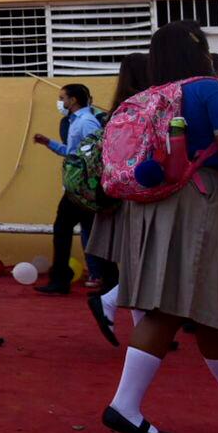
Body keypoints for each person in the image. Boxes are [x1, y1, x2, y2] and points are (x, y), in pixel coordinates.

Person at [102, 22, 218, 433]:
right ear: (200, 50)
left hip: (154, 204)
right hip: (197, 201)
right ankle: (124, 406)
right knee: (171, 304)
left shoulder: (148, 96)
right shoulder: (211, 91)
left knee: (212, 310)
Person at [86, 52, 146, 346]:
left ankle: (144, 326)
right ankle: (109, 301)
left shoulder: (117, 109)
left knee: (137, 262)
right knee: (144, 262)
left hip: (118, 192)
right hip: (138, 193)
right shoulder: (142, 108)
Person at [32, 84, 104, 295]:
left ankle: (61, 279)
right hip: (79, 188)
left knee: (63, 229)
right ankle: (102, 278)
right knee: (89, 231)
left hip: (80, 189)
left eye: (62, 98)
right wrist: (49, 143)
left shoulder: (86, 122)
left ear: (73, 100)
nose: (60, 102)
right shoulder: (77, 122)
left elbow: (94, 153)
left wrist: (87, 185)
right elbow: (73, 152)